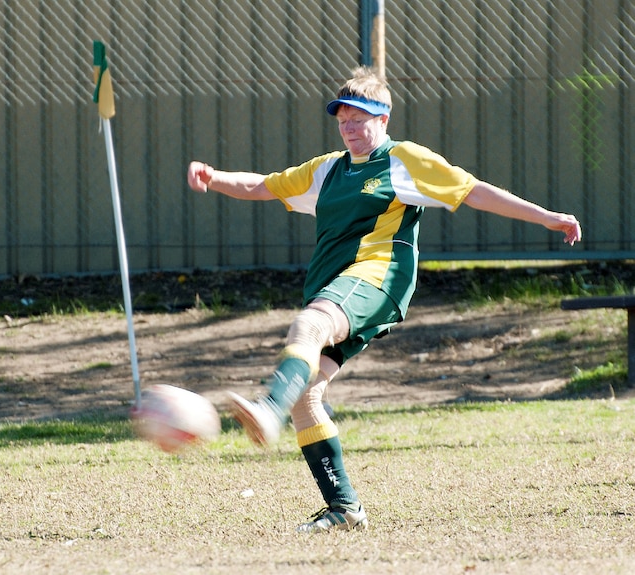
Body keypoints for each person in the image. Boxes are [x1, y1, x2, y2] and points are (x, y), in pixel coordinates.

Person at [186, 66, 582, 534]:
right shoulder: (327, 169)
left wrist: (547, 217)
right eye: (343, 120)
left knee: (308, 328)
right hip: (337, 286)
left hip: (378, 279)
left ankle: (269, 406)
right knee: (308, 395)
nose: (350, 127)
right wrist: (214, 177)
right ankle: (344, 508)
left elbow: (474, 192)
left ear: (384, 118)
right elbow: (263, 186)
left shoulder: (403, 160)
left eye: (361, 118)